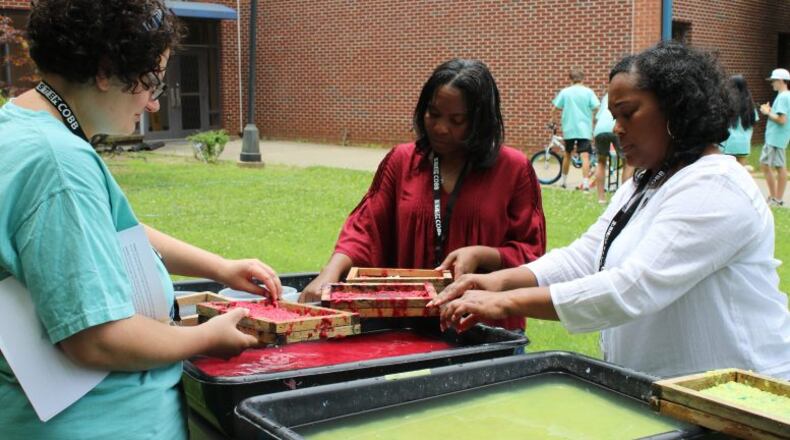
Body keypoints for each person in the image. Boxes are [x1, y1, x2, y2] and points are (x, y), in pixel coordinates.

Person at [0, 2, 282, 438]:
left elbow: (101, 230)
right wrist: (207, 337)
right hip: (99, 424)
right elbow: (97, 339)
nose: (153, 103)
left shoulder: (18, 125)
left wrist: (220, 267)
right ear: (105, 71)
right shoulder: (58, 162)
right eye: (152, 81)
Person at [430, 42, 790, 379]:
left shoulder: (716, 185)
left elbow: (633, 287)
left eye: (628, 113)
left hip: (739, 392)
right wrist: (498, 280)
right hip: (672, 390)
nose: (616, 128)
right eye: (614, 115)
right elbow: (587, 256)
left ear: (676, 108)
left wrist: (504, 302)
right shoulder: (647, 181)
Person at [300, 59, 546, 332]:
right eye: (433, 114)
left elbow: (533, 254)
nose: (440, 128)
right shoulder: (401, 161)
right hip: (409, 325)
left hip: (485, 327)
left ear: (480, 121)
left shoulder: (513, 168)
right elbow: (365, 229)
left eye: (456, 120)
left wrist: (482, 254)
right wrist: (330, 272)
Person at [550, 68, 600, 191]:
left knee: (567, 155)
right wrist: (594, 119)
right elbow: (597, 107)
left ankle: (563, 182)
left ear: (570, 79)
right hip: (584, 129)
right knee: (585, 156)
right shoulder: (588, 92)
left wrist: (553, 121)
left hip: (569, 128)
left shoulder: (565, 92)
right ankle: (586, 184)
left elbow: (554, 109)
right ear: (583, 78)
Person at [594, 92, 633, 204]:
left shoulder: (607, 95)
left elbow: (598, 116)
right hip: (617, 126)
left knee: (601, 162)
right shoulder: (627, 92)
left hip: (600, 129)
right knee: (628, 162)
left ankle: (601, 198)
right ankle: (624, 198)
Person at [759, 68, 790, 207]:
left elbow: (782, 120)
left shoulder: (783, 97)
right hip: (779, 137)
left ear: (782, 81)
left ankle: (775, 198)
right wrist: (771, 111)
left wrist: (766, 112)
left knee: (765, 165)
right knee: (778, 166)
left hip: (775, 138)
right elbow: (781, 116)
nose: (772, 83)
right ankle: (776, 198)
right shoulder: (786, 95)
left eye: (774, 81)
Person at [721, 75, 758, 169]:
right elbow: (753, 123)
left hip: (729, 144)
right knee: (741, 171)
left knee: (727, 171)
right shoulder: (751, 107)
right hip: (744, 144)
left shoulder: (728, 104)